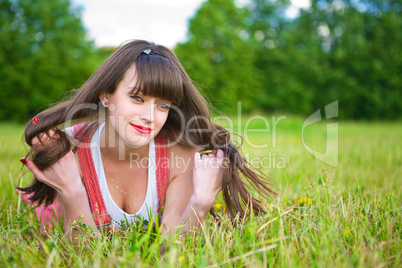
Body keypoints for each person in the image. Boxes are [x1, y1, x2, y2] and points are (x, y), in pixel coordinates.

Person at [18, 40, 275, 239]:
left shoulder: (181, 157)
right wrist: (72, 190)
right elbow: (80, 255)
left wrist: (201, 202)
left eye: (162, 106)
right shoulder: (69, 150)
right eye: (137, 98)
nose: (150, 117)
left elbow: (172, 252)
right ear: (105, 95)